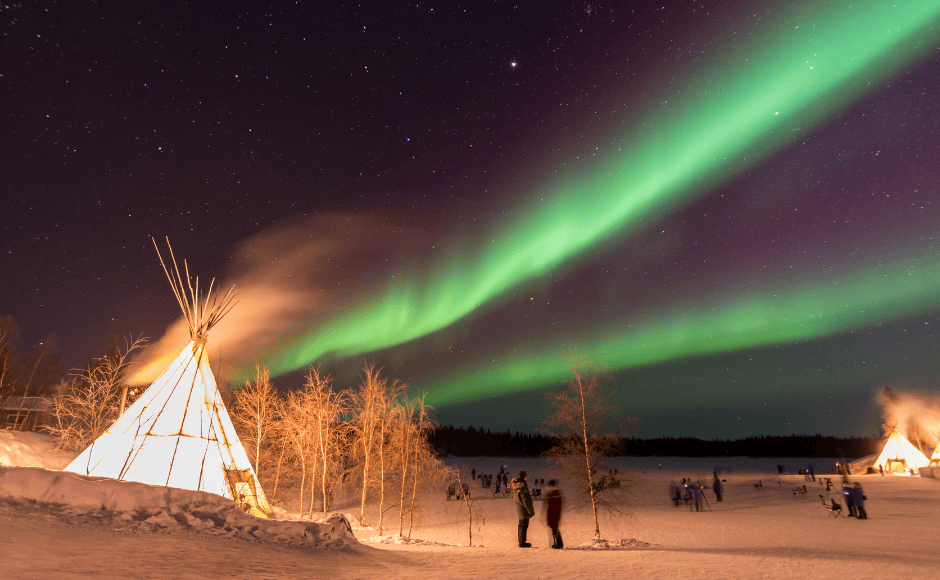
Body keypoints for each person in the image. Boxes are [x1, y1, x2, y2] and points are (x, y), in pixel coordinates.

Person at [512, 470, 536, 547]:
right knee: (524, 525)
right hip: (523, 509)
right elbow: (526, 500)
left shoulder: (516, 486)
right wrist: (531, 511)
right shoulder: (523, 486)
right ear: (524, 477)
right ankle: (522, 542)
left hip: (519, 508)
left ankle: (520, 541)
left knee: (521, 525)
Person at [544, 479, 564, 549]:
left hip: (553, 514)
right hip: (555, 514)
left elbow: (549, 506)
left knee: (554, 529)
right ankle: (558, 543)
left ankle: (558, 544)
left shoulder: (552, 493)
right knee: (555, 529)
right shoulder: (556, 493)